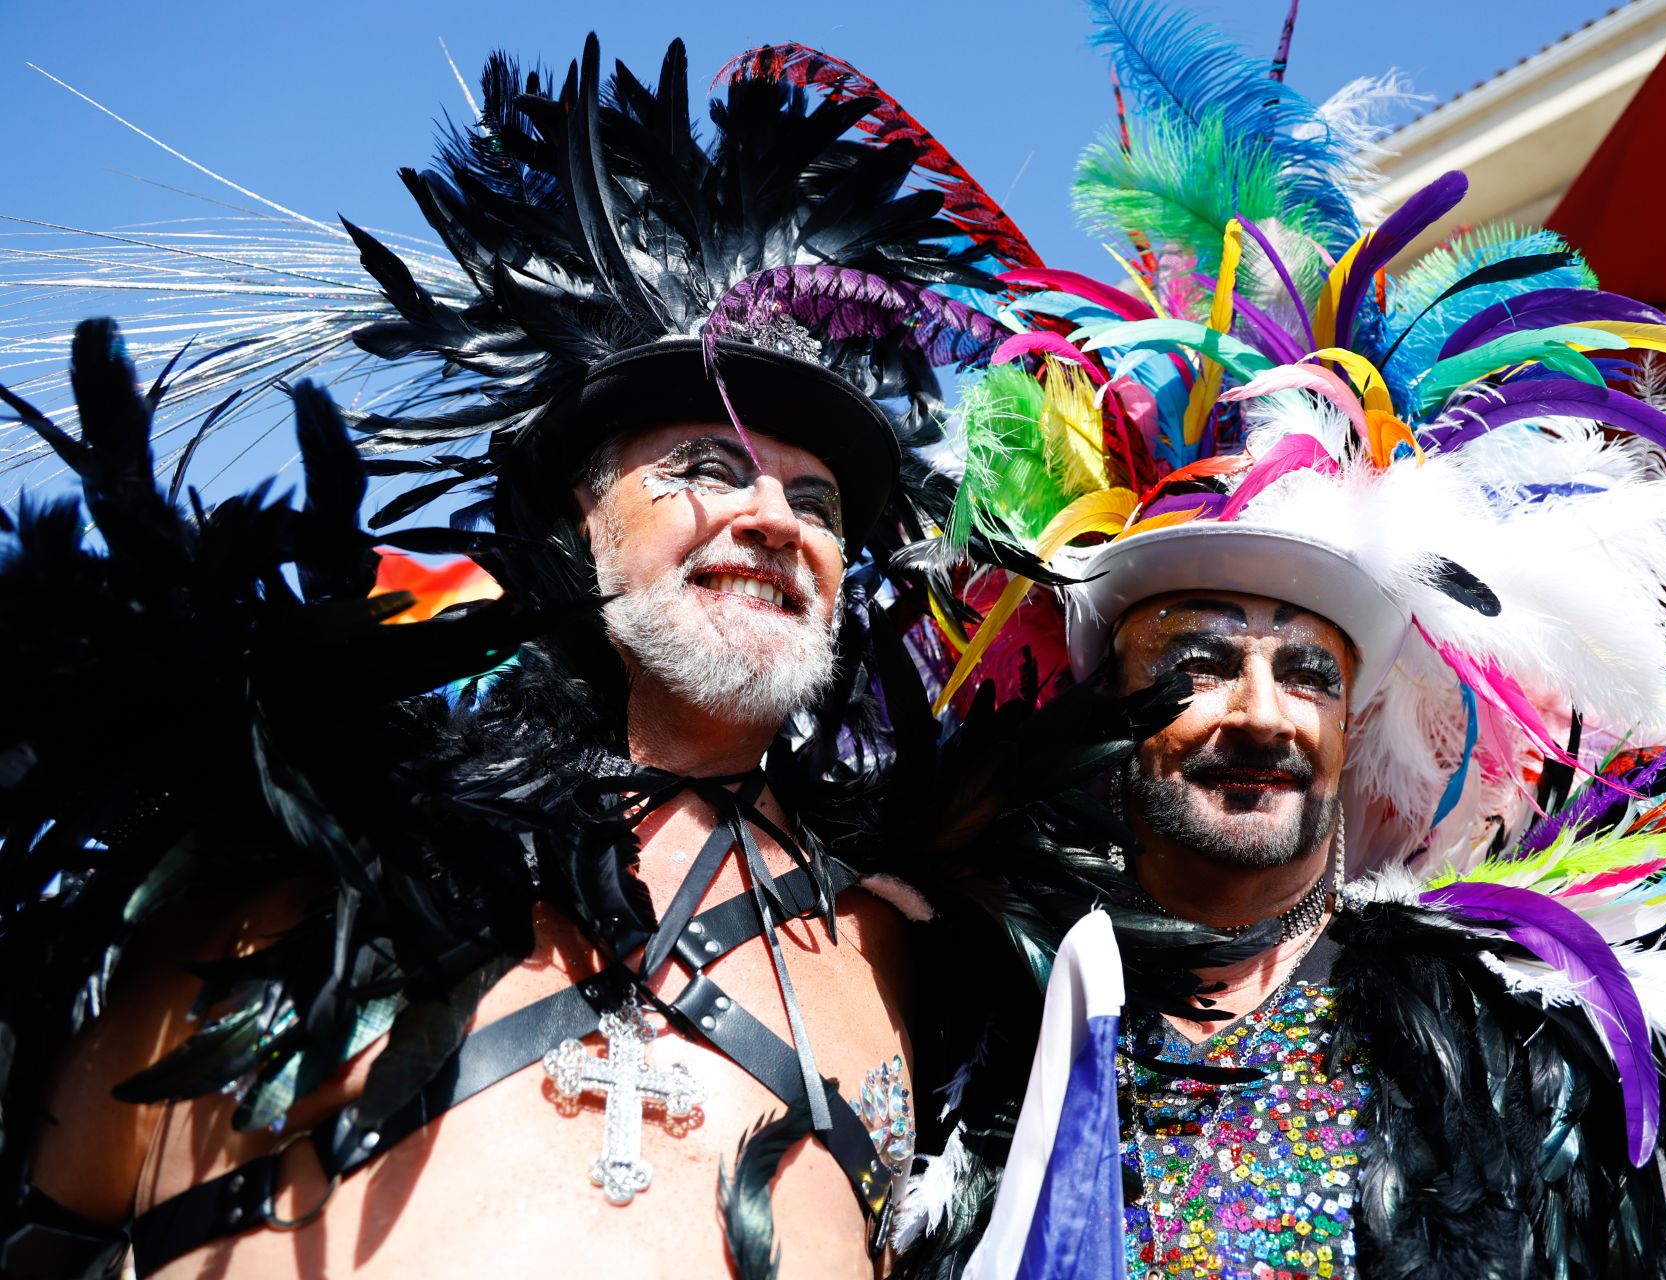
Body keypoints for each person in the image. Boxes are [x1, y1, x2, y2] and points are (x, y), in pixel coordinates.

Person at [881, 4, 1666, 1275]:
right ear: (1113, 711)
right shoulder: (996, 1026)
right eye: (1198, 662)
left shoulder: (1526, 1042)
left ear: (1357, 723)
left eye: (1310, 668)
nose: (1260, 707)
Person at [0, 32, 1037, 1279]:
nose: (773, 517)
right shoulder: (313, 847)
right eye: (706, 469)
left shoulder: (916, 946)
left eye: (816, 500)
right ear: (578, 521)